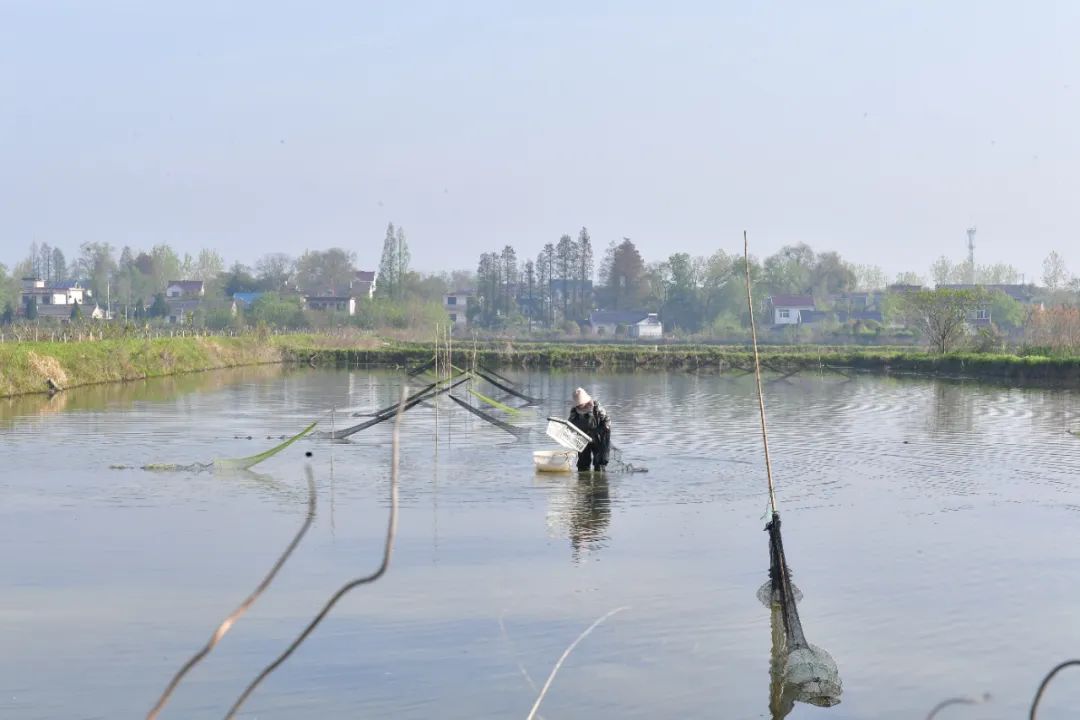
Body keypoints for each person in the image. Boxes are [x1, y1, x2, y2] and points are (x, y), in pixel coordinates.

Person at [568, 387, 611, 472]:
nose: (580, 406)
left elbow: (607, 421)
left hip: (599, 438)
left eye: (581, 404)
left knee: (600, 465)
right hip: (582, 439)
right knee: (583, 465)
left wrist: (599, 430)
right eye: (578, 405)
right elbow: (570, 424)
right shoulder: (574, 411)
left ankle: (599, 481)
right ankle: (583, 482)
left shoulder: (596, 407)